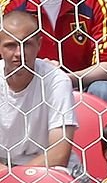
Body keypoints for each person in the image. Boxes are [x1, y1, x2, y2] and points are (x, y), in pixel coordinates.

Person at [0, 10, 76, 172]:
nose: (19, 53)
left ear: (39, 44)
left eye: (26, 44)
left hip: (46, 169)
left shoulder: (57, 81)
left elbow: (59, 154)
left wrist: (16, 177)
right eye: (10, 45)